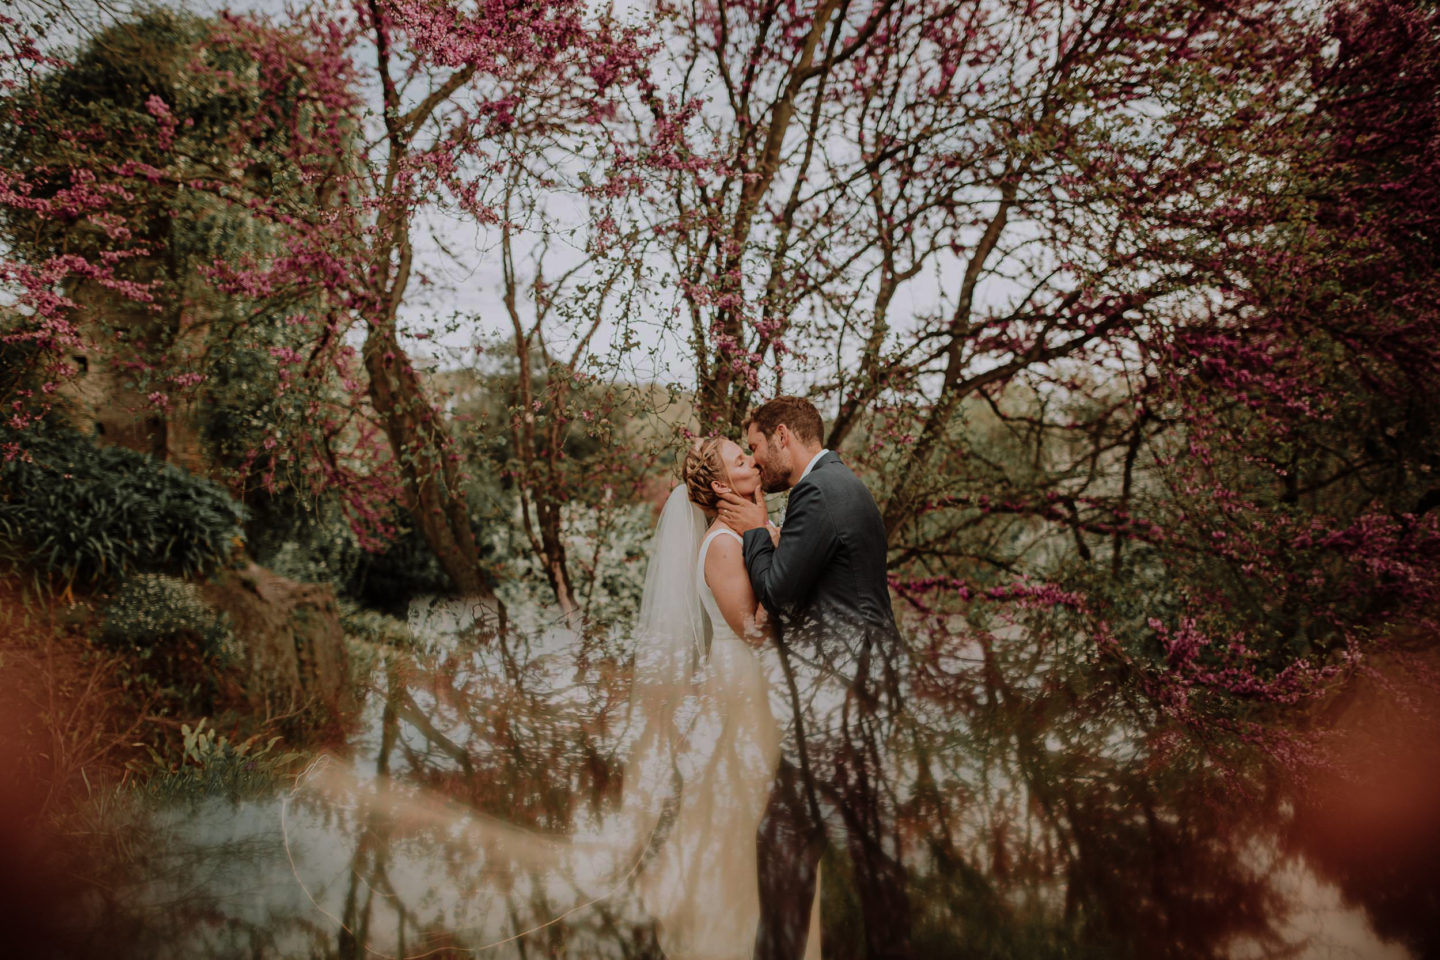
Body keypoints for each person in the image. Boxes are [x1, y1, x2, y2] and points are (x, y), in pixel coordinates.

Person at [715, 397, 910, 960]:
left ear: (782, 436)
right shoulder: (840, 483)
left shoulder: (817, 493)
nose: (756, 461)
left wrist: (754, 529)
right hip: (859, 690)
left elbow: (777, 591)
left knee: (786, 841)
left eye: (754, 447)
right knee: (856, 853)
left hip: (843, 696)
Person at [632, 436, 821, 960]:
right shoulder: (721, 546)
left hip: (768, 695)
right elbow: (755, 632)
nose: (753, 461)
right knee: (747, 825)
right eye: (741, 460)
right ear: (719, 485)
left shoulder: (750, 531)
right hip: (744, 695)